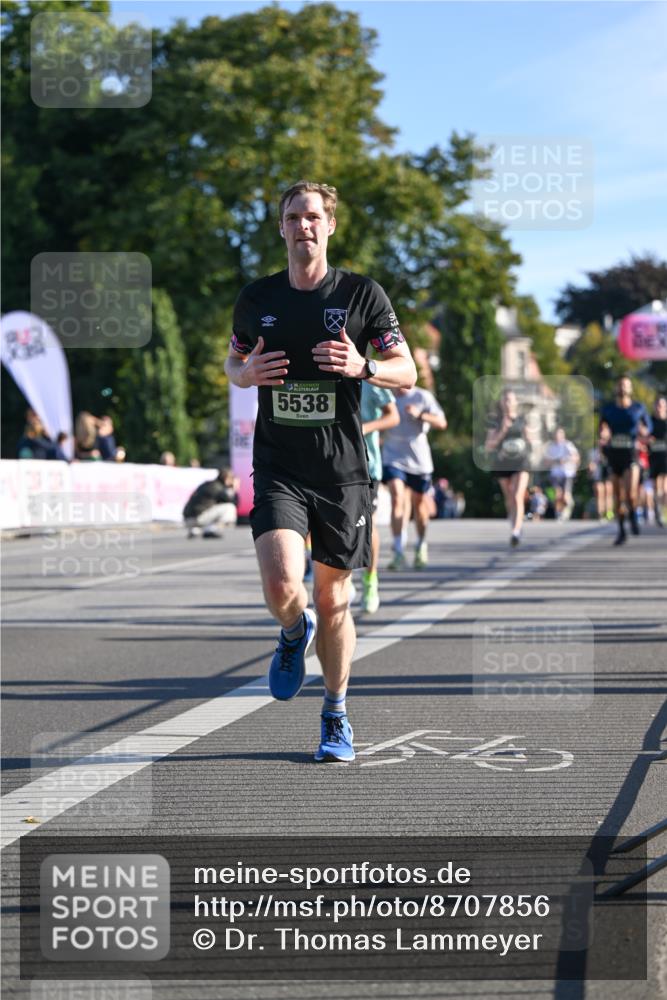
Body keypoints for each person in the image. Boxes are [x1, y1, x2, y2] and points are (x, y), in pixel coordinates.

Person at [224, 180, 416, 763]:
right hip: (280, 464)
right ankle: (290, 630)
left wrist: (365, 366)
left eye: (313, 216)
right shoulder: (257, 298)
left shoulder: (362, 295)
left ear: (330, 225)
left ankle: (335, 713)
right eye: (292, 217)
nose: (303, 225)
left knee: (335, 599)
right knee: (284, 587)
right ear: (280, 227)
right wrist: (245, 373)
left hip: (341, 471)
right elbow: (232, 363)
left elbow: (406, 371)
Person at [382, 386, 447, 569]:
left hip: (419, 460)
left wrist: (420, 415)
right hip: (393, 457)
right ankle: (398, 551)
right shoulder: (386, 395)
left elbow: (442, 423)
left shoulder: (422, 396)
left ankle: (420, 544)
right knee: (397, 498)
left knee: (419, 505)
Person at [360, 380, 400, 611]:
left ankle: (370, 579)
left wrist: (366, 427)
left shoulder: (370, 377)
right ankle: (340, 578)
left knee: (367, 524)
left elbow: (393, 416)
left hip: (366, 465)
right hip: (330, 463)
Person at [599, 375, 652, 545]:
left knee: (631, 493)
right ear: (616, 388)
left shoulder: (638, 408)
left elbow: (648, 426)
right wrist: (604, 433)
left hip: (631, 454)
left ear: (630, 389)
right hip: (614, 454)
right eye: (620, 385)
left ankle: (633, 516)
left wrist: (644, 431)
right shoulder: (608, 409)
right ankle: (621, 530)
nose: (623, 388)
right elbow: (602, 427)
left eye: (626, 385)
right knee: (617, 496)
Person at [484, 387, 532, 547]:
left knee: (518, 495)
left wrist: (530, 440)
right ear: (501, 402)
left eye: (511, 399)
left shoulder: (522, 419)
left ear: (516, 402)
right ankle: (514, 522)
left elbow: (530, 440)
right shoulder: (495, 421)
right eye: (505, 399)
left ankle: (515, 531)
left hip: (521, 462)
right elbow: (489, 446)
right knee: (509, 497)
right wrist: (502, 430)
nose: (508, 403)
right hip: (503, 462)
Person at [183, 468, 239, 538]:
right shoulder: (219, 488)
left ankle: (196, 529)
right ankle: (211, 529)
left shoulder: (207, 484)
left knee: (214, 506)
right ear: (227, 479)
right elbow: (233, 502)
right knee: (230, 507)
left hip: (187, 518)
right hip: (198, 518)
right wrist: (234, 489)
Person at [544, 427, 580, 520]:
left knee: (565, 495)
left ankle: (567, 509)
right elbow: (546, 462)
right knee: (557, 494)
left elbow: (576, 457)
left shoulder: (568, 445)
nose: (558, 436)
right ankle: (558, 512)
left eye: (560, 434)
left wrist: (567, 460)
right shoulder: (551, 447)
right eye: (556, 434)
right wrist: (555, 461)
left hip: (567, 473)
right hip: (555, 474)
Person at [648, 395, 666, 528]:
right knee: (656, 487)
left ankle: (662, 512)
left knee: (665, 487)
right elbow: (642, 436)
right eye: (657, 405)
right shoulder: (650, 422)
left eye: (662, 405)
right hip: (654, 458)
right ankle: (657, 511)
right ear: (654, 407)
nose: (660, 408)